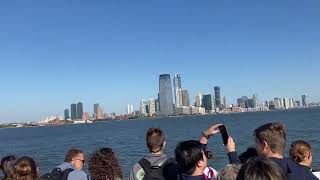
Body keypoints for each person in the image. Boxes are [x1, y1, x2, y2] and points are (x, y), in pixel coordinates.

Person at [254, 122, 318, 180]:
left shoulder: (255, 171)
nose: (256, 147)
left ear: (264, 144)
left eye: (256, 142)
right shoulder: (304, 172)